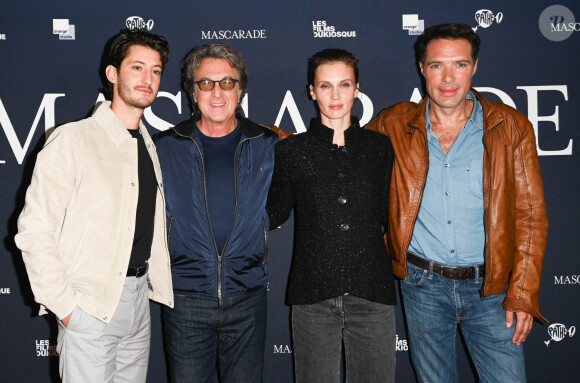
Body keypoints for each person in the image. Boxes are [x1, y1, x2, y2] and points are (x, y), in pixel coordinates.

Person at [366, 23, 548, 382]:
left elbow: (531, 216)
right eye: (437, 65)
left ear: (475, 66)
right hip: (422, 287)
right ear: (422, 68)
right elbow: (338, 148)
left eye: (460, 64)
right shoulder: (394, 123)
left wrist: (523, 293)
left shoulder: (511, 127)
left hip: (492, 290)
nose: (448, 77)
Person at [15, 29, 173, 382]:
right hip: (90, 306)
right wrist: (68, 309)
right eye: (137, 67)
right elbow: (34, 230)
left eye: (156, 70)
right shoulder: (73, 139)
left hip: (137, 303)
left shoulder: (148, 145)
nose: (148, 79)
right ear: (112, 74)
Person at [154, 44, 287, 383]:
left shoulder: (268, 145)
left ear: (240, 89)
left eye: (227, 82)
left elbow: (284, 201)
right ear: (192, 90)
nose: (217, 92)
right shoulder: (164, 147)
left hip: (247, 295)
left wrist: (260, 226)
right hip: (185, 297)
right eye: (206, 83)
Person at [266, 49, 396, 382]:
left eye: (344, 85)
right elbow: (273, 214)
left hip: (372, 291)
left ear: (357, 88)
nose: (335, 95)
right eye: (325, 86)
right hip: (313, 296)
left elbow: (390, 216)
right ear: (312, 91)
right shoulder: (291, 151)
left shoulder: (380, 148)